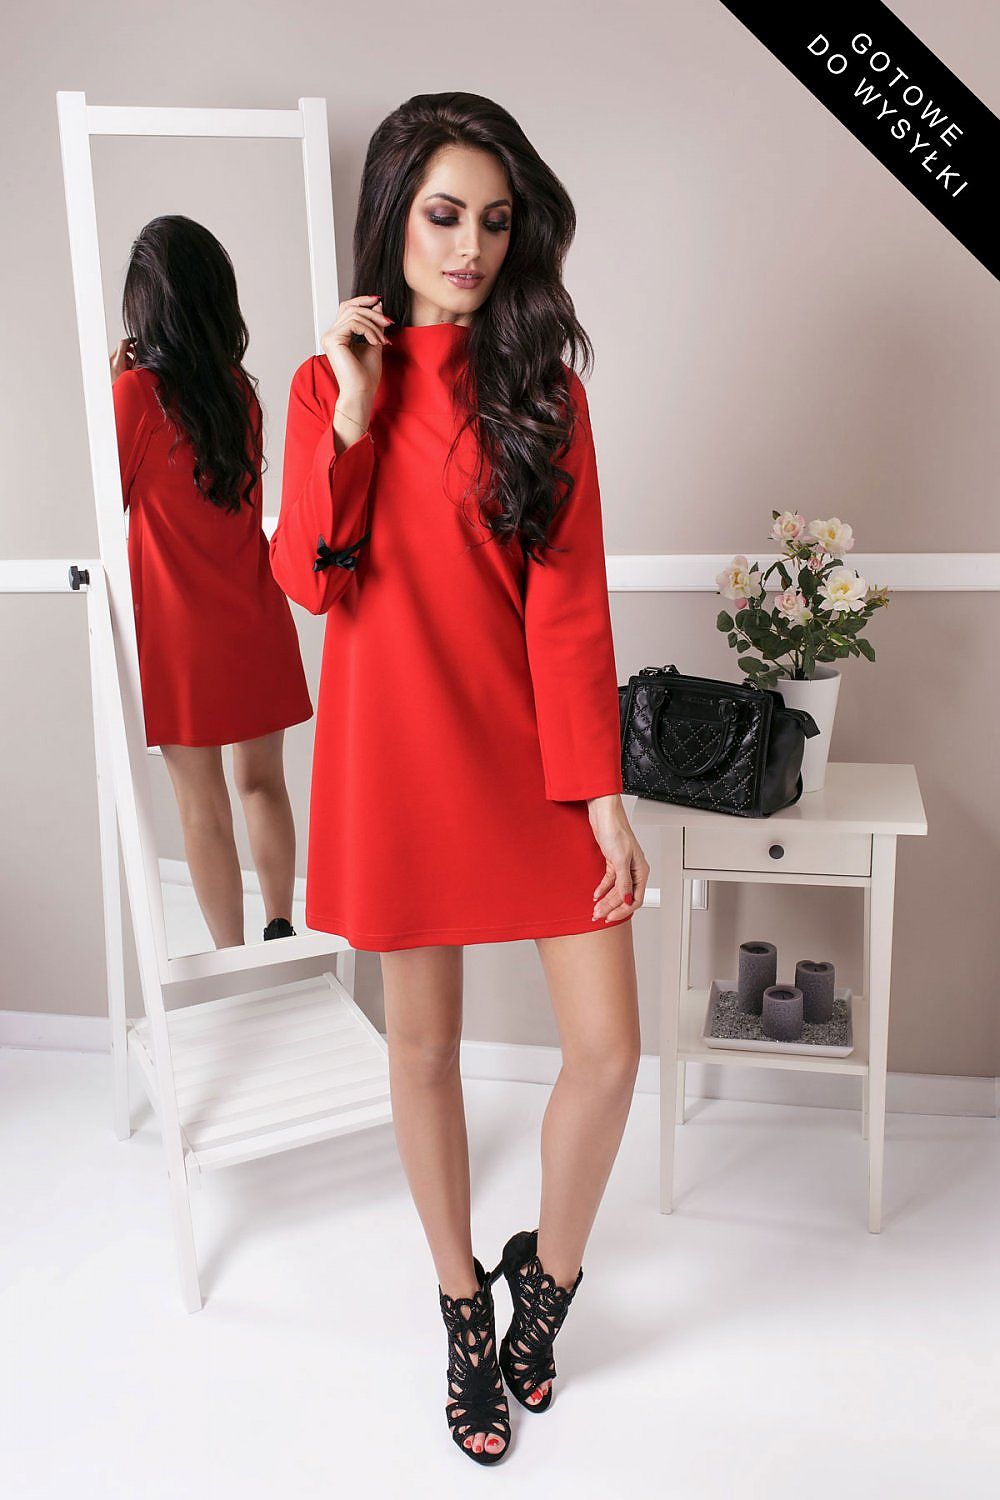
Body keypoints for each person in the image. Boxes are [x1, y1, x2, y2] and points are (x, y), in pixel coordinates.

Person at [270, 93, 650, 1465]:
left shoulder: (544, 390)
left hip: (533, 759)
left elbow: (570, 607)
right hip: (394, 760)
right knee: (421, 1051)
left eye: (494, 221)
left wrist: (601, 794)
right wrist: (355, 416)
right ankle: (461, 1309)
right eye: (443, 216)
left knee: (609, 1053)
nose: (470, 247)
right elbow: (306, 578)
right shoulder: (325, 385)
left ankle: (543, 1283)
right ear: (394, 218)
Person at [111, 216, 313, 949]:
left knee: (202, 807)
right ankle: (280, 927)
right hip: (255, 617)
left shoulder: (136, 395)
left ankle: (233, 960)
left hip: (181, 635)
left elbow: (106, 501)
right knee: (263, 783)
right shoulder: (240, 395)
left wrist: (108, 390)